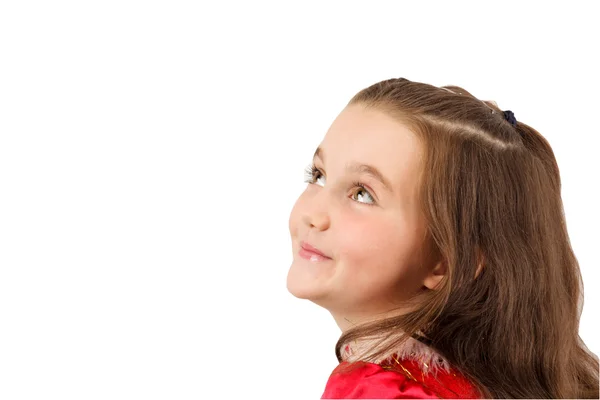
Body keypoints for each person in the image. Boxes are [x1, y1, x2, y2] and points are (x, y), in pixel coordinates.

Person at [286, 77, 599, 398]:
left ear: (446, 263)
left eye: (362, 194)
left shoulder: (377, 390)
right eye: (319, 175)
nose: (314, 214)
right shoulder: (461, 383)